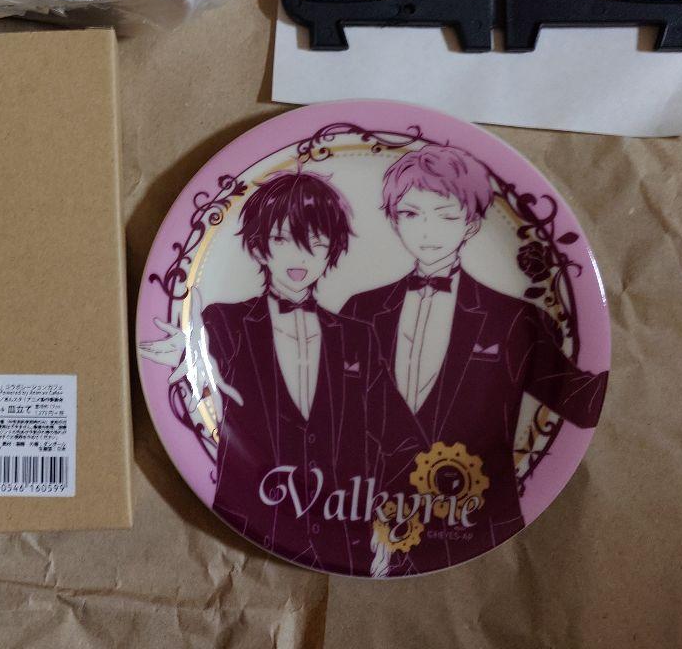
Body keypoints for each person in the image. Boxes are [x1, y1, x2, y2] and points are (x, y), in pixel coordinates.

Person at [140, 169, 420, 576]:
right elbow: (195, 373)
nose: (299, 258)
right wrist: (184, 358)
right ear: (259, 246)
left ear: (332, 250)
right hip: (243, 526)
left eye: (315, 243)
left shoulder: (356, 336)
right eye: (283, 240)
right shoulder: (222, 322)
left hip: (345, 528)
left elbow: (399, 432)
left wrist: (393, 520)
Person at [342, 145, 608, 571]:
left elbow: (581, 403)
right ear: (393, 219)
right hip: (358, 516)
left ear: (472, 223)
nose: (427, 230)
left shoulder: (515, 319)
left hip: (475, 522)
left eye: (446, 216)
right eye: (411, 214)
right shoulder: (359, 309)